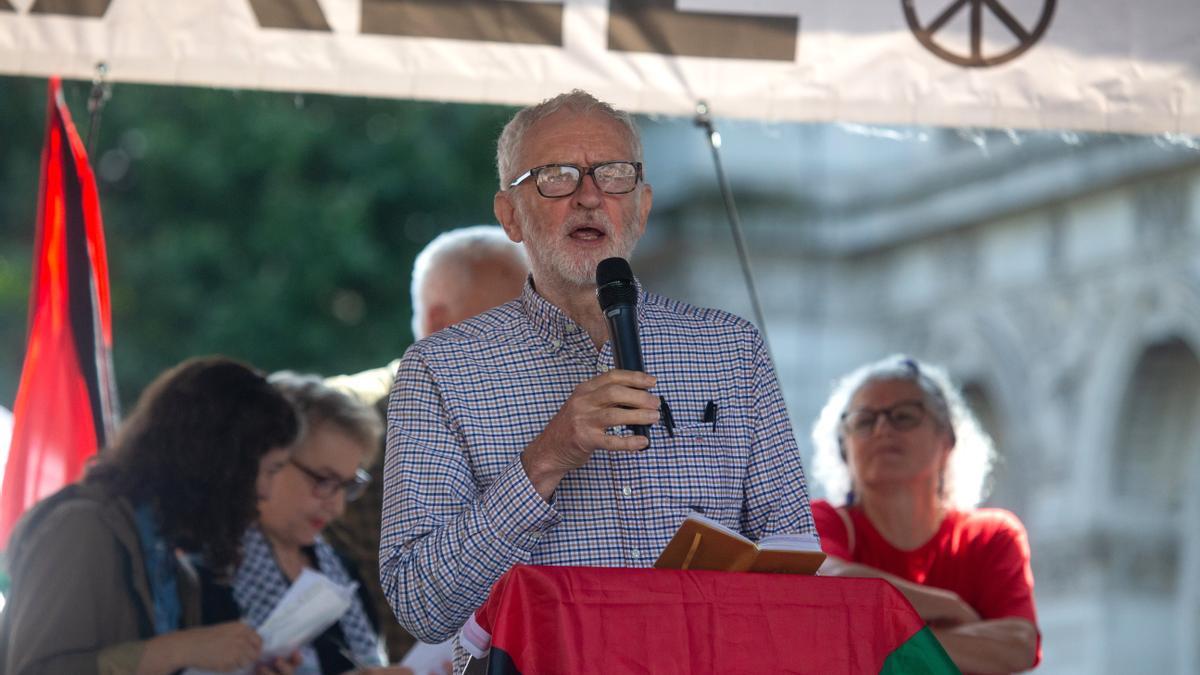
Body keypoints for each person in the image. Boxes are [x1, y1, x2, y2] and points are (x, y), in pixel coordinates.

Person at [379, 89, 815, 660]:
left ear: (643, 204)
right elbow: (421, 603)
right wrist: (546, 458)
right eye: (556, 176)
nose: (589, 196)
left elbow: (795, 555)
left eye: (613, 175)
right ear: (510, 215)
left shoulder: (730, 348)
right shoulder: (440, 369)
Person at [0, 356, 301, 675]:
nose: (266, 492)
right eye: (268, 471)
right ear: (219, 463)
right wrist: (178, 649)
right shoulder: (80, 528)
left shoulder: (172, 562)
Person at [322, 225, 528, 666]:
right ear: (439, 324)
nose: (528, 345)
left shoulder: (545, 416)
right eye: (509, 322)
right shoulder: (340, 430)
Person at [809, 355, 1040, 674]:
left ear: (947, 439)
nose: (882, 429)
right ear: (844, 447)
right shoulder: (822, 521)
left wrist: (879, 637)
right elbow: (825, 582)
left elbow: (1017, 647)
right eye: (864, 420)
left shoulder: (991, 535)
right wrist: (952, 608)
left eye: (904, 417)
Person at [201, 372, 412, 674]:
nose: (337, 507)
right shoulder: (207, 568)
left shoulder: (341, 570)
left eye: (348, 486)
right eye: (324, 480)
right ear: (267, 459)